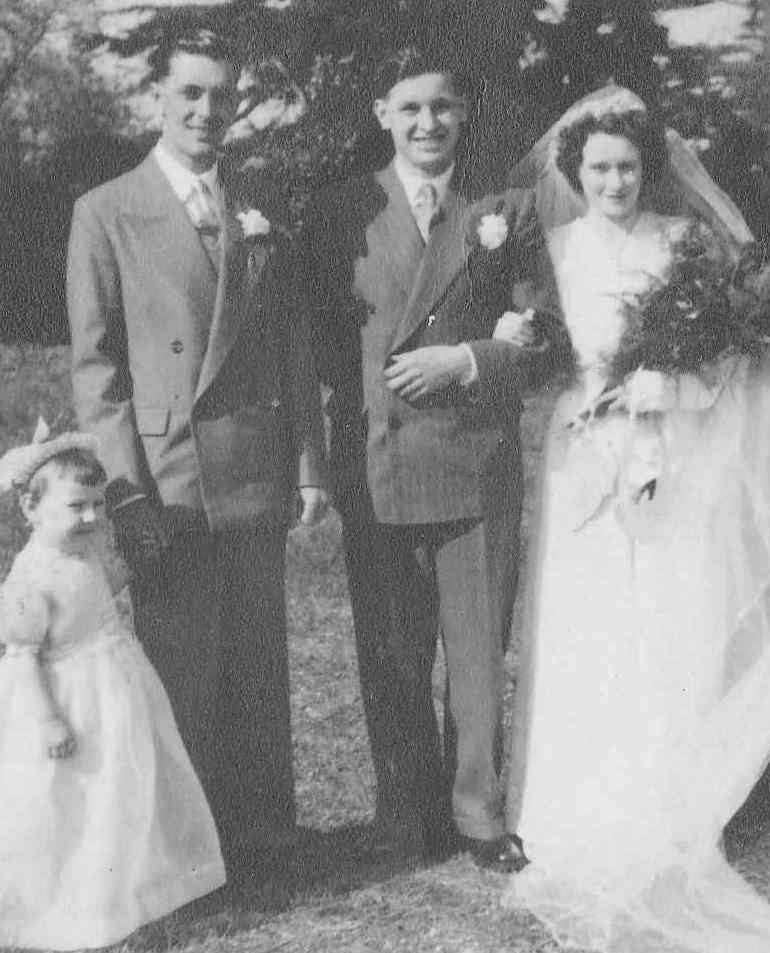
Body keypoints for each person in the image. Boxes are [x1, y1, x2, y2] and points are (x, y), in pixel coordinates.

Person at [501, 86, 770, 953]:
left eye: (629, 167)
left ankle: (666, 798)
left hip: (667, 450)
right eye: (599, 168)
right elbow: (538, 351)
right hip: (582, 456)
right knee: (586, 620)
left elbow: (729, 361)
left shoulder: (684, 244)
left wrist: (664, 388)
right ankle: (568, 806)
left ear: (651, 170)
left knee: (662, 618)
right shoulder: (556, 249)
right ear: (576, 172)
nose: (615, 182)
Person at [65, 27, 329, 879]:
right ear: (159, 97)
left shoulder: (258, 208)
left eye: (221, 95)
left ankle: (259, 840)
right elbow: (96, 369)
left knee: (257, 662)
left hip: (252, 467)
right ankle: (182, 852)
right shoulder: (106, 210)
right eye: (189, 93)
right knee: (180, 664)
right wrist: (125, 494)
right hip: (167, 479)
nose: (205, 110)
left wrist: (307, 465)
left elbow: (289, 347)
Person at [302, 47, 563, 872]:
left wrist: (472, 359)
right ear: (382, 113)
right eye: (410, 108)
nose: (427, 124)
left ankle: (479, 815)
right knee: (392, 649)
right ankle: (405, 812)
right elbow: (314, 342)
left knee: (479, 648)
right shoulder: (341, 209)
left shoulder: (506, 210)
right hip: (378, 458)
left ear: (463, 114)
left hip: (476, 460)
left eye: (443, 107)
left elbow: (548, 337)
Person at [0, 425, 224, 949]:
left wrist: (132, 567)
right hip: (68, 699)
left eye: (96, 506)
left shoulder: (82, 554)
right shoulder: (31, 578)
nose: (90, 518)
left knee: (122, 788)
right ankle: (64, 903)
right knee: (70, 800)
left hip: (114, 689)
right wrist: (48, 718)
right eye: (75, 508)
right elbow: (23, 661)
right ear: (31, 510)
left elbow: (96, 593)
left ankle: (129, 892)